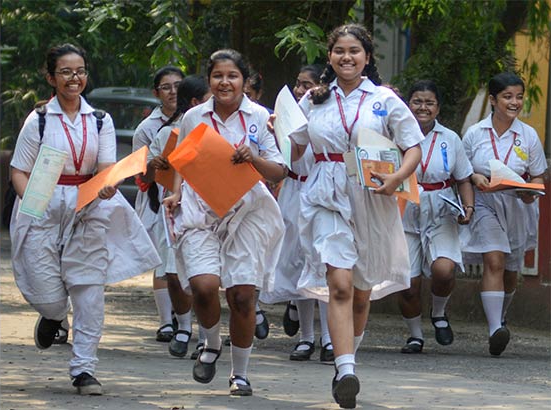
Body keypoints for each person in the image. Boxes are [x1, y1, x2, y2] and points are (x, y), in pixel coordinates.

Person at [9, 43, 160, 396]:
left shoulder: (100, 120)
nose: (73, 78)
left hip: (88, 207)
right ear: (51, 77)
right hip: (43, 206)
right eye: (65, 72)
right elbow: (19, 170)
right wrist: (32, 202)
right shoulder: (40, 120)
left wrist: (107, 186)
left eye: (79, 71)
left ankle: (84, 369)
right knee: (49, 295)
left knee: (89, 290)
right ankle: (52, 316)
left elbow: (107, 169)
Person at [288, 24, 423, 408]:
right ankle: (345, 370)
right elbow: (295, 150)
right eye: (339, 51)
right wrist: (279, 133)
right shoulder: (313, 100)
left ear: (367, 56)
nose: (346, 57)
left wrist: (397, 176)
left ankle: (348, 358)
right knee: (340, 284)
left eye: (354, 51)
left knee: (361, 294)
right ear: (329, 56)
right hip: (324, 194)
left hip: (371, 194)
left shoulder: (384, 99)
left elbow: (412, 145)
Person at [162, 49, 287, 397]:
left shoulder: (260, 117)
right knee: (203, 286)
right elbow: (183, 163)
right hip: (201, 208)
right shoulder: (193, 117)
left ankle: (241, 373)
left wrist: (254, 158)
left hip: (248, 210)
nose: (224, 82)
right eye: (217, 76)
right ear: (209, 80)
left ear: (244, 81)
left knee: (243, 295)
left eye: (232, 75)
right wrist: (175, 193)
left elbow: (279, 170)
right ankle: (212, 343)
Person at [460, 72, 546, 356]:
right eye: (508, 96)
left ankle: (502, 316)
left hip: (518, 206)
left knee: (511, 270)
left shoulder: (528, 135)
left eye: (519, 97)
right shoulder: (474, 133)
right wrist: (474, 177)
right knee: (493, 259)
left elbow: (538, 179)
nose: (515, 102)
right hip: (486, 203)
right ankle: (495, 328)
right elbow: (461, 170)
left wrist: (530, 191)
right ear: (494, 100)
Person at [260, 64, 335, 363]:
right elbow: (285, 157)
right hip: (293, 191)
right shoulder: (285, 117)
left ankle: (330, 338)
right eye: (298, 84)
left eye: (308, 85)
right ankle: (306, 337)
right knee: (297, 264)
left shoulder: (326, 117)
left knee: (324, 264)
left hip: (321, 192)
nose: (301, 90)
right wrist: (276, 132)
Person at [396, 80, 475, 354]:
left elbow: (463, 178)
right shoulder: (395, 135)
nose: (423, 107)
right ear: (408, 104)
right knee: (408, 283)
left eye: (429, 102)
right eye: (417, 101)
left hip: (440, 209)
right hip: (404, 210)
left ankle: (439, 314)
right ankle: (415, 335)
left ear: (438, 107)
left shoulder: (450, 138)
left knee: (444, 269)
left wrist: (468, 207)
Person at [143, 74, 210, 359]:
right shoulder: (165, 134)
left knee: (203, 277)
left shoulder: (217, 132)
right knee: (172, 272)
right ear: (195, 103)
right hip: (173, 212)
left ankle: (208, 335)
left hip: (209, 212)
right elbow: (145, 176)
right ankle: (183, 326)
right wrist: (153, 165)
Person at [133, 65, 185, 343]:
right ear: (156, 93)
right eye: (166, 87)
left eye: (178, 85)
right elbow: (139, 173)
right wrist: (153, 166)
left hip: (189, 199)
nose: (172, 91)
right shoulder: (147, 128)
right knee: (163, 262)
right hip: (157, 201)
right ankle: (166, 321)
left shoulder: (195, 119)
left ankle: (183, 316)